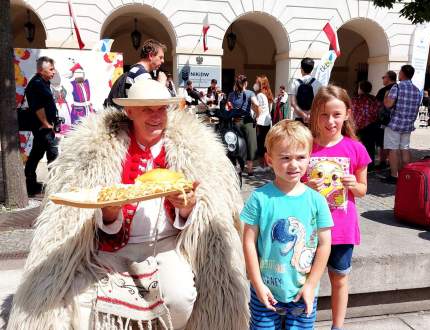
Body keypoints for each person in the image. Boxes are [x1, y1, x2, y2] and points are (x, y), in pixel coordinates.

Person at [8, 79, 249, 330]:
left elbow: (199, 219)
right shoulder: (103, 149)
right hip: (113, 248)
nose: (156, 117)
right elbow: (86, 218)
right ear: (129, 111)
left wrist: (185, 208)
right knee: (78, 302)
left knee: (180, 299)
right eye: (147, 109)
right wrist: (110, 213)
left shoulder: (191, 152)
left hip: (165, 246)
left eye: (161, 109)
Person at [241, 120, 333, 329]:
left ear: (310, 158)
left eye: (301, 157)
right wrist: (257, 283)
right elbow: (248, 242)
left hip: (302, 292)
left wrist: (311, 285)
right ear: (269, 159)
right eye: (285, 158)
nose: (294, 164)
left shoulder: (317, 200)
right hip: (265, 291)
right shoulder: (259, 198)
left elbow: (324, 244)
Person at [304, 85, 371, 330]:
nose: (330, 121)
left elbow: (363, 190)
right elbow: (292, 184)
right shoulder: (306, 146)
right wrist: (305, 184)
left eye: (336, 114)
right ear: (314, 115)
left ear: (347, 114)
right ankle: (301, 323)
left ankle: (337, 326)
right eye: (323, 114)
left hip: (342, 229)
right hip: (309, 228)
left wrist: (354, 185)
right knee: (305, 278)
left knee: (339, 278)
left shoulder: (356, 149)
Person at [23, 56, 59, 196]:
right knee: (53, 154)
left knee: (37, 153)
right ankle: (55, 186)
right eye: (51, 69)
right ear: (41, 70)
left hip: (44, 126)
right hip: (42, 127)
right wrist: (46, 124)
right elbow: (37, 107)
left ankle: (31, 184)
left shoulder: (44, 82)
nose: (54, 72)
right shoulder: (36, 84)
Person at [382, 65, 422, 184]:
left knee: (393, 149)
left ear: (403, 74)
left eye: (400, 72)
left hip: (395, 123)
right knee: (405, 148)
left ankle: (394, 175)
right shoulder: (416, 89)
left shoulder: (397, 87)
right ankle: (407, 173)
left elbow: (388, 104)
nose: (399, 74)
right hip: (408, 124)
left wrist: (385, 97)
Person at [227, 74, 261, 176]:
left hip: (236, 122)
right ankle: (250, 170)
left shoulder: (231, 94)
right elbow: (257, 105)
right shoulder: (250, 93)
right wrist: (257, 116)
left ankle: (239, 168)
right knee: (251, 144)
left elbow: (228, 108)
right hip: (248, 122)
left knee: (237, 144)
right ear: (246, 83)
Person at [351, 80, 380, 170]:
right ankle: (370, 166)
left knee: (357, 146)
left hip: (358, 126)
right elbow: (377, 112)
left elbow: (353, 113)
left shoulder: (355, 99)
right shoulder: (374, 99)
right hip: (371, 126)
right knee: (370, 146)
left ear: (360, 88)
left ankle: (357, 164)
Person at [289, 57, 322, 123]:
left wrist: (303, 115)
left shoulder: (295, 82)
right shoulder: (318, 84)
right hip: (312, 118)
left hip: (298, 118)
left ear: (301, 68)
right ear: (312, 69)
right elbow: (319, 103)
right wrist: (308, 114)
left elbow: (293, 103)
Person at [375, 70, 397, 169]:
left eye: (384, 77)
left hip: (384, 121)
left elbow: (377, 105)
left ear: (388, 78)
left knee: (382, 142)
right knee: (395, 144)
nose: (383, 79)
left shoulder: (384, 90)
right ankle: (392, 163)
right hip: (397, 121)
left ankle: (383, 162)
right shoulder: (399, 88)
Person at [253, 75, 273, 172]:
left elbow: (259, 108)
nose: (255, 84)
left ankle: (262, 165)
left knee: (260, 143)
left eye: (257, 82)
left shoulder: (260, 95)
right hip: (267, 121)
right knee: (265, 143)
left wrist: (256, 117)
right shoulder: (267, 93)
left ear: (261, 84)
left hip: (261, 121)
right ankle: (266, 164)